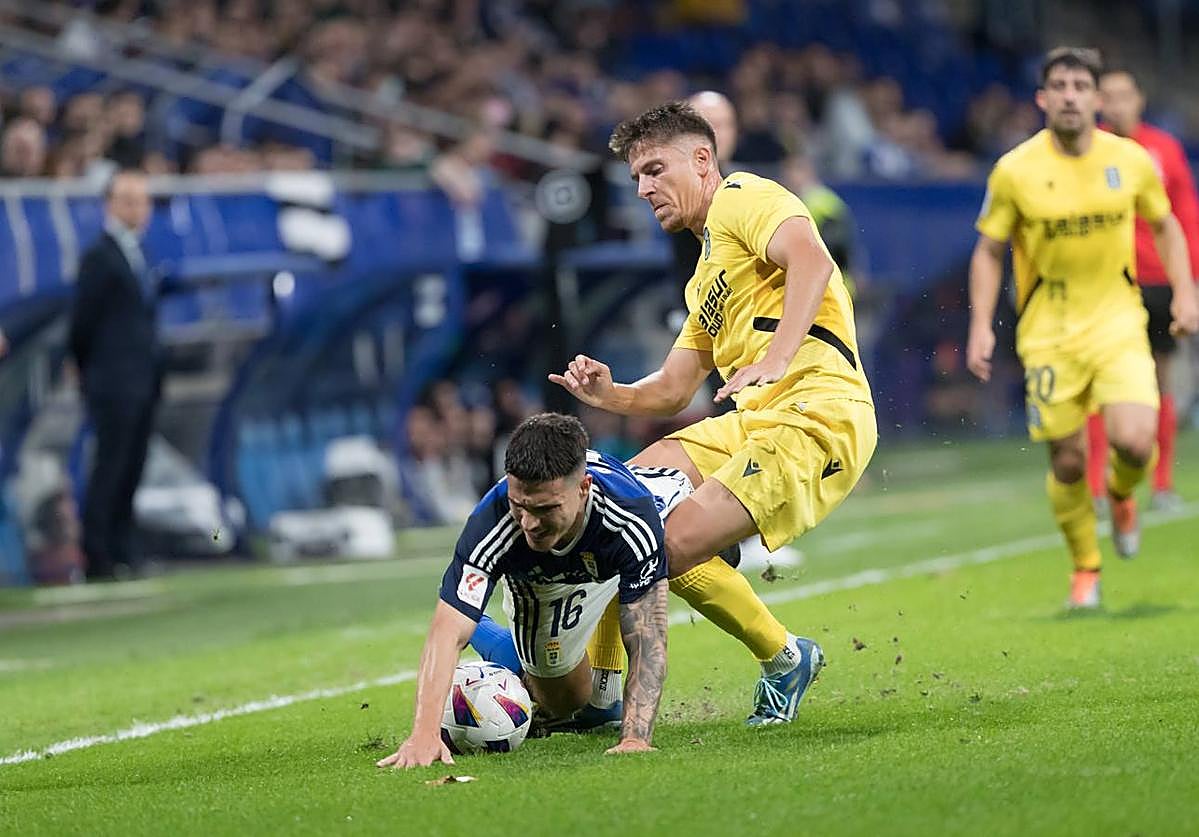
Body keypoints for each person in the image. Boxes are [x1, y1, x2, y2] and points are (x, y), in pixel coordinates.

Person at [551, 101, 876, 726]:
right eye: (636, 177)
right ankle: (612, 693)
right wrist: (611, 394)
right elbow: (673, 389)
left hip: (816, 413)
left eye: (654, 170)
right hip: (754, 419)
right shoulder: (706, 274)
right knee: (613, 509)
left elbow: (813, 260)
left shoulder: (743, 197)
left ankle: (765, 662)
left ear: (702, 160)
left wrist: (778, 356)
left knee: (657, 545)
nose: (643, 189)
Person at [967, 48, 1198, 609]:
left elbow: (1166, 225)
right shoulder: (1015, 169)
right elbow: (989, 250)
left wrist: (1186, 291)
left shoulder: (1132, 161)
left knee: (1135, 443)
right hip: (1047, 332)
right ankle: (1085, 569)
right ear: (1042, 98)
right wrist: (980, 325)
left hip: (1119, 321)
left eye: (1080, 86)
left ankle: (1121, 493)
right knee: (1068, 461)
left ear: (1098, 99)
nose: (1070, 95)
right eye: (1060, 86)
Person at [377, 414, 672, 768]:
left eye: (544, 508)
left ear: (583, 488)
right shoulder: (493, 521)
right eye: (520, 505)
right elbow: (447, 630)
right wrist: (424, 733)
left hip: (612, 548)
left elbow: (648, 636)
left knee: (683, 542)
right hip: (540, 583)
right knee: (564, 701)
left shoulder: (630, 516)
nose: (529, 522)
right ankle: (484, 625)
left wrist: (636, 738)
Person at [1084, 68, 1199, 512]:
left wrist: (1187, 283)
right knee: (1099, 383)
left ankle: (1162, 484)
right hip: (1106, 283)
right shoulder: (1087, 150)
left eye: (1124, 95)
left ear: (1140, 100)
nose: (1116, 105)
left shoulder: (1163, 149)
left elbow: (1184, 217)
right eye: (1108, 96)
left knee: (1159, 380)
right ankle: (1096, 488)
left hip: (1156, 282)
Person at [68, 169, 163, 581]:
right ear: (109, 204)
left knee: (133, 465)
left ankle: (124, 548)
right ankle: (97, 553)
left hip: (143, 378)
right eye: (128, 200)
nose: (137, 209)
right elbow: (82, 322)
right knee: (110, 464)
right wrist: (87, 368)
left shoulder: (141, 254)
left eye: (142, 200)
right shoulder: (99, 257)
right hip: (112, 379)